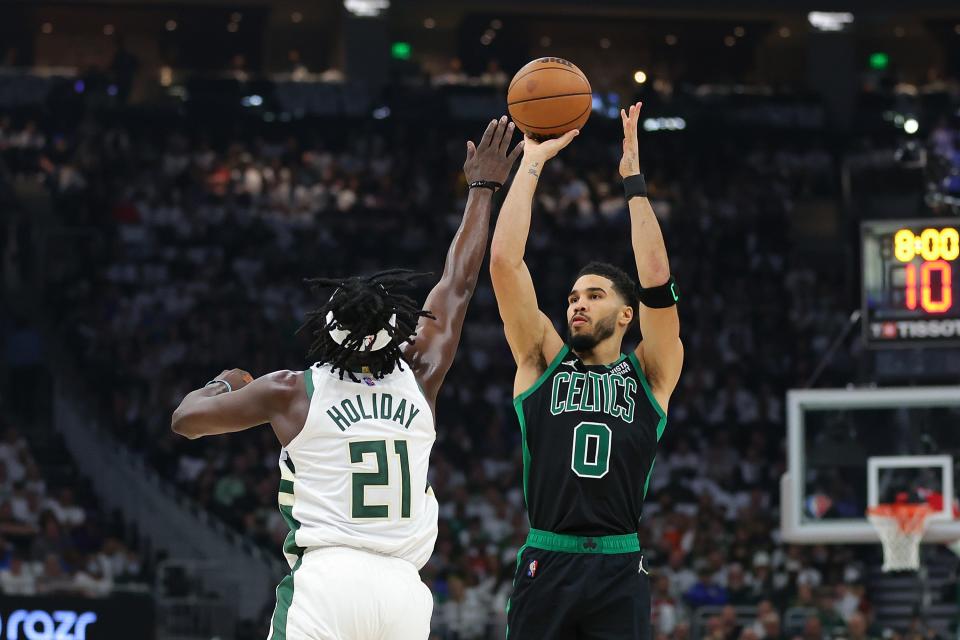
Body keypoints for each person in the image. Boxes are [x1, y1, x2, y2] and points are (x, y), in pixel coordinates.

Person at [171, 117, 523, 640]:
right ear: (396, 332)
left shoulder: (291, 390)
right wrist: (482, 188)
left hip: (328, 580)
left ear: (325, 331)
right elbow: (458, 281)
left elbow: (185, 422)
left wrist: (225, 383)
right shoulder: (420, 371)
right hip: (404, 589)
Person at [490, 101, 683, 638]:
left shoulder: (651, 373)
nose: (577, 304)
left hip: (619, 565)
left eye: (594, 296)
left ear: (627, 314)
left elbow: (657, 281)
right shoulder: (541, 360)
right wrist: (531, 162)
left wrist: (633, 184)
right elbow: (505, 262)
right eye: (573, 296)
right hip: (547, 558)